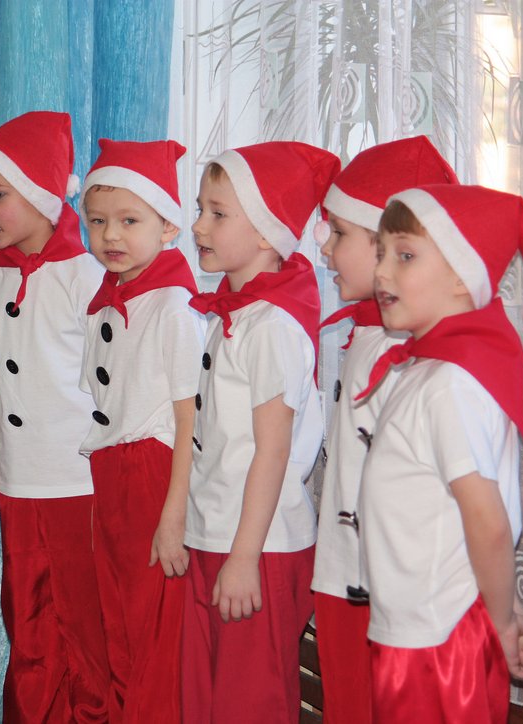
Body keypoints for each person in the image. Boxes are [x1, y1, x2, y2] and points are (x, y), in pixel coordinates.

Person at [356, 184, 523, 723]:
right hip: (425, 629)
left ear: (463, 279)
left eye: (405, 255)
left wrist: (501, 622)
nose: (381, 271)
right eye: (380, 252)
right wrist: (505, 609)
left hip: (436, 643)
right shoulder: (434, 371)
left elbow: (488, 521)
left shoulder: (449, 384)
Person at [183, 142, 340, 723]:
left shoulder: (272, 326)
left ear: (268, 235)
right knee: (212, 696)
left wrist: (244, 556)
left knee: (250, 701)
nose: (198, 225)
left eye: (218, 213)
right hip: (219, 532)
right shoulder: (236, 314)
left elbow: (273, 451)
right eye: (200, 209)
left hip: (258, 545)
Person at [0, 111, 110, 723]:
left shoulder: (89, 275)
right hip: (18, 477)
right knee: (25, 613)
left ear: (43, 193)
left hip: (78, 478)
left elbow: (110, 382)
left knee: (85, 617)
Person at [310, 136, 458, 724]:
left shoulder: (415, 354)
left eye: (338, 233)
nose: (323, 247)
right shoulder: (368, 335)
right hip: (344, 577)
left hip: (389, 594)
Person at [79, 138, 204, 722]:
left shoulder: (174, 307)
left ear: (169, 227)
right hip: (111, 471)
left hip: (152, 472)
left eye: (129, 221)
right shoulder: (108, 300)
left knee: (153, 623)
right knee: (117, 615)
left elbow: (189, 418)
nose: (111, 235)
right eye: (97, 220)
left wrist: (173, 515)